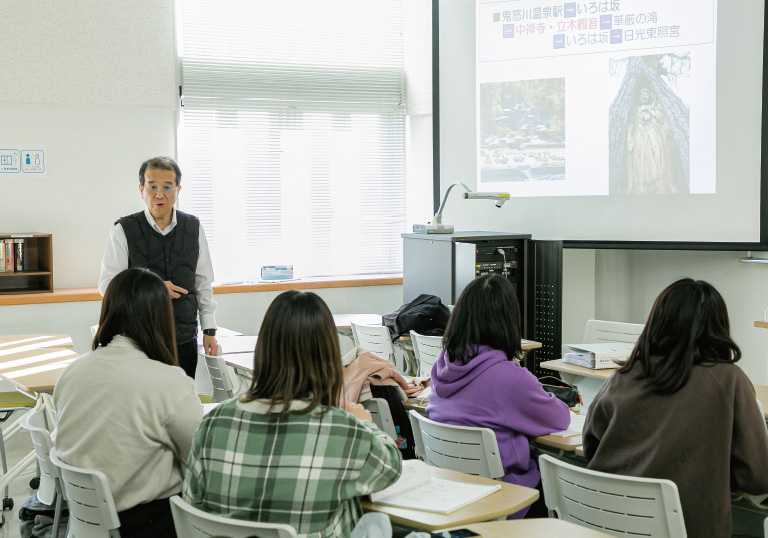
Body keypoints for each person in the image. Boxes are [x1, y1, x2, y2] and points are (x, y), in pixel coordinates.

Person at [183, 290, 402, 537]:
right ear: (328, 357)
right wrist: (364, 423)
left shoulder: (213, 423)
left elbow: (192, 504)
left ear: (263, 349)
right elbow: (391, 469)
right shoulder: (342, 429)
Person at [583, 278, 768, 538]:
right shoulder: (729, 379)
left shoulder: (624, 375)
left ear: (656, 322)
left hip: (607, 523)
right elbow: (757, 477)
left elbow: (591, 447)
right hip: (684, 529)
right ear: (718, 327)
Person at [54, 268, 203, 538]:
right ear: (161, 317)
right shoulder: (168, 381)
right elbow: (198, 459)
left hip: (83, 520)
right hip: (147, 524)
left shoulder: (72, 372)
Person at [426, 274, 570, 518]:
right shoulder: (511, 378)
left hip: (451, 498)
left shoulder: (442, 365)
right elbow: (560, 418)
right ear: (508, 320)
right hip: (505, 500)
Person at [98, 156, 217, 379]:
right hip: (137, 341)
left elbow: (203, 282)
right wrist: (154, 289)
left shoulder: (193, 227)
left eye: (167, 187)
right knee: (141, 399)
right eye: (152, 187)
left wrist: (209, 330)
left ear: (178, 190)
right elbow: (108, 286)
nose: (159, 194)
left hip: (183, 339)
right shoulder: (123, 230)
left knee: (181, 397)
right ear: (141, 190)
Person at [625, 86, 677, 194]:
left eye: (646, 94)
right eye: (642, 94)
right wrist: (629, 134)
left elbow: (661, 119)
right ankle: (641, 184)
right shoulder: (636, 109)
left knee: (655, 141)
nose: (644, 96)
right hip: (639, 132)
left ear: (649, 96)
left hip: (652, 131)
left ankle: (657, 181)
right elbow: (631, 123)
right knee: (639, 147)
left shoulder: (654, 107)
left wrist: (650, 111)